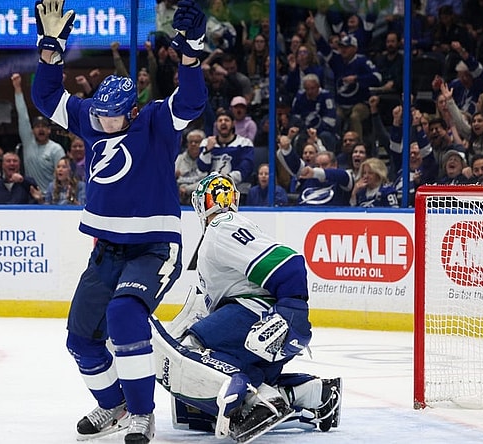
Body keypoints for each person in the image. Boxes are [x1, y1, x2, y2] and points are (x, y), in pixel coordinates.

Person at [31, 0, 207, 442]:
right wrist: (51, 51)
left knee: (125, 314)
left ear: (130, 110)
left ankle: (142, 414)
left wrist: (190, 54)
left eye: (112, 116)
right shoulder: (92, 118)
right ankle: (115, 406)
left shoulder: (153, 123)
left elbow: (191, 100)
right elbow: (47, 97)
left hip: (154, 248)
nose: (103, 122)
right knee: (80, 339)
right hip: (107, 249)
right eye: (98, 116)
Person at [152, 173, 341, 442]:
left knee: (188, 354)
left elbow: (289, 264)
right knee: (207, 402)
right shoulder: (224, 231)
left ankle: (259, 400)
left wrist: (291, 312)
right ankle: (311, 393)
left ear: (200, 204)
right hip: (256, 332)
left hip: (260, 319)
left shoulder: (222, 226)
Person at [11, 72, 65, 192]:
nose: (40, 129)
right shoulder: (28, 142)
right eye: (37, 126)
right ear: (32, 130)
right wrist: (17, 88)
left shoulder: (56, 149)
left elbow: (63, 176)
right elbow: (23, 116)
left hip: (51, 199)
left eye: (44, 126)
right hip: (29, 195)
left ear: (49, 130)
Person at [197, 111, 255, 195]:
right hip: (212, 192)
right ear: (216, 124)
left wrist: (224, 181)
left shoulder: (244, 143)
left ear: (233, 123)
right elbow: (202, 168)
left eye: (226, 120)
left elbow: (246, 168)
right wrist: (207, 150)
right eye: (220, 120)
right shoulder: (206, 143)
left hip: (238, 192)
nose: (223, 122)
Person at [175, 129, 206, 205]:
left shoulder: (207, 160)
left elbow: (206, 182)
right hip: (179, 197)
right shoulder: (179, 158)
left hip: (201, 198)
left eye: (197, 142)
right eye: (190, 142)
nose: (193, 144)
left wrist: (187, 189)